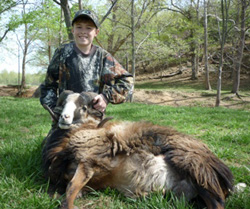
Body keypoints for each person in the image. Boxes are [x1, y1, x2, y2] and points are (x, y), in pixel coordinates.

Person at [40, 9, 133, 113]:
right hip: (66, 115)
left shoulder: (103, 56)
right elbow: (48, 85)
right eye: (79, 27)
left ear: (96, 32)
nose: (83, 31)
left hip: (92, 117)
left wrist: (106, 97)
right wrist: (53, 110)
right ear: (72, 30)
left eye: (88, 28)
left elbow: (127, 81)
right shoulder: (62, 52)